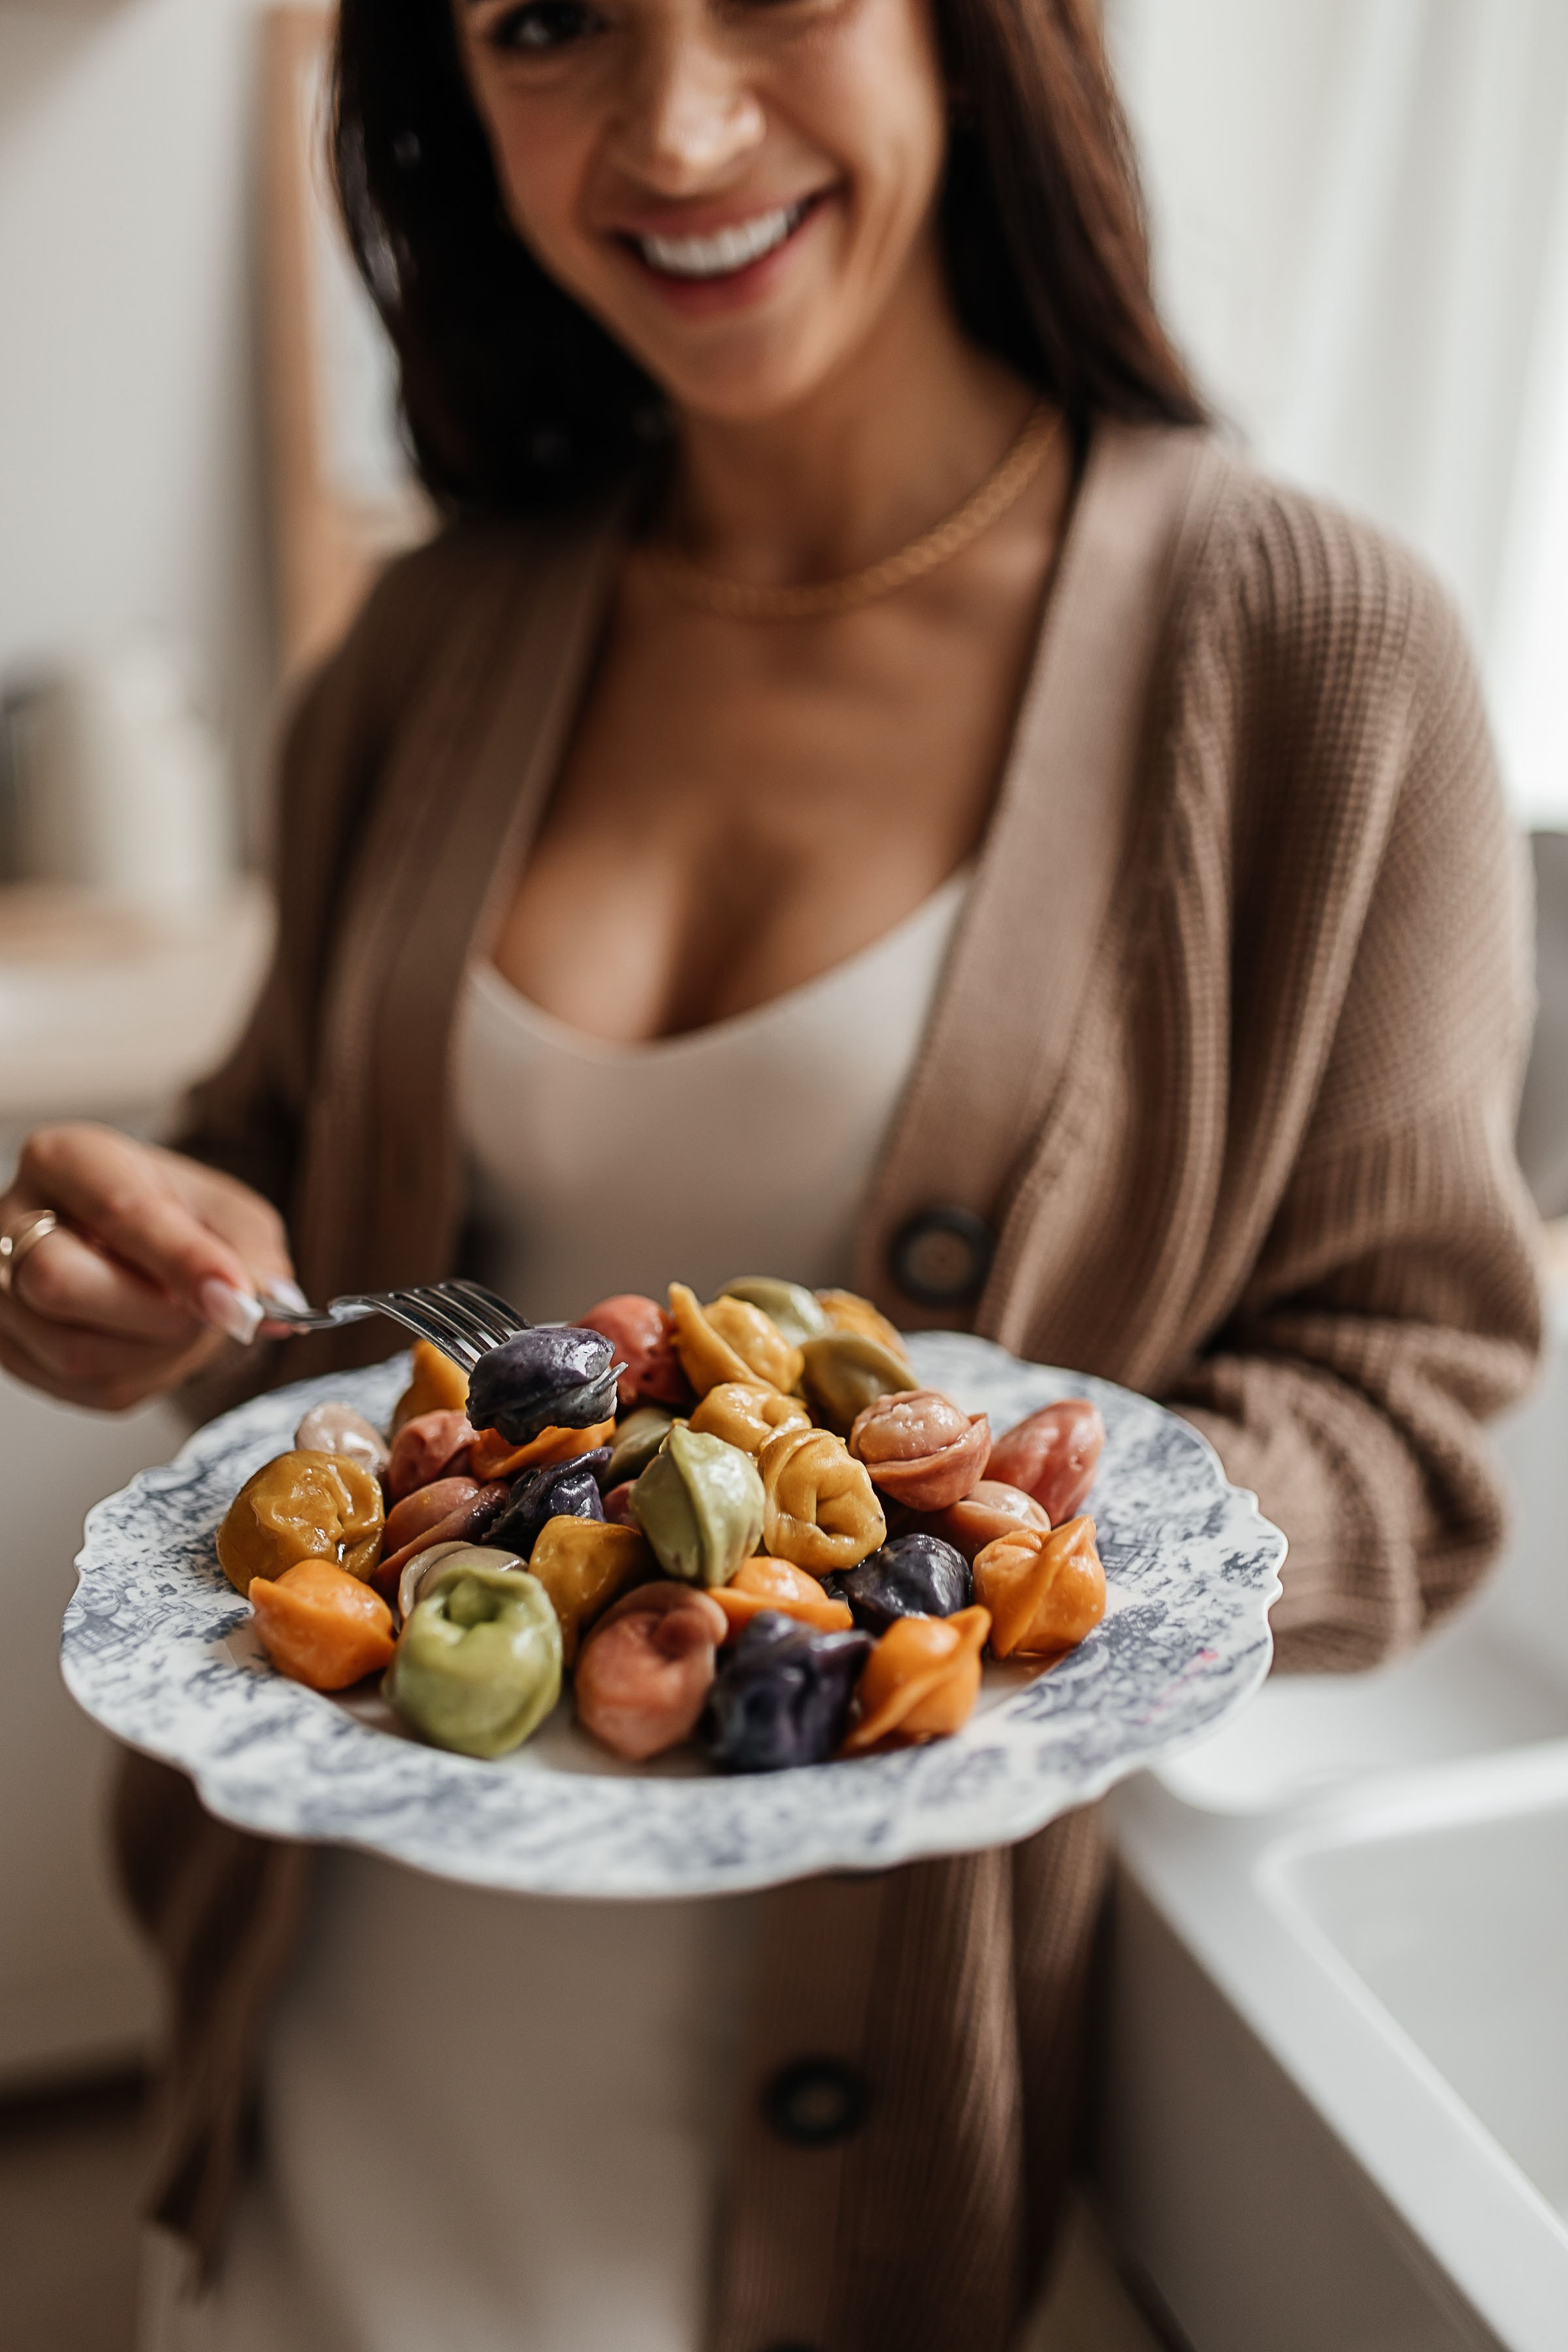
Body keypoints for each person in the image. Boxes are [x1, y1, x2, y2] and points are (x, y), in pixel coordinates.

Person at [0, 0, 1541, 2343]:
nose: (680, 125)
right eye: (548, 22)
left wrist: (1022, 1547)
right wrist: (157, 1257)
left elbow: (1412, 1419)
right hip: (330, 2042)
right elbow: (300, 1211)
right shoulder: (431, 643)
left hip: (845, 2137)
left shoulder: (1316, 655)